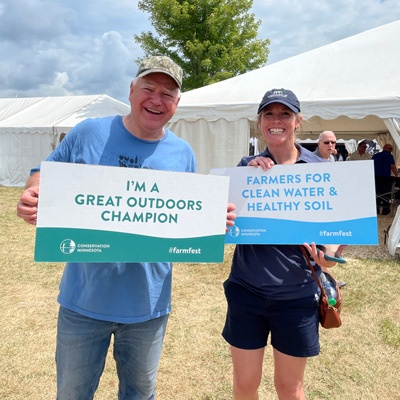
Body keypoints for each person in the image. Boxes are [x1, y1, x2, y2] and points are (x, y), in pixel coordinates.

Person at [16, 55, 236, 400]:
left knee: (139, 394)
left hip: (147, 308)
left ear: (177, 104)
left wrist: (212, 223)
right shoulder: (90, 132)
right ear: (132, 90)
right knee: (72, 394)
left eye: (168, 94)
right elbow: (43, 171)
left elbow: (185, 217)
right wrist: (34, 191)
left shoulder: (182, 153)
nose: (156, 99)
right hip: (82, 303)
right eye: (149, 88)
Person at [221, 88, 345, 400]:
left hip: (297, 296)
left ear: (298, 121)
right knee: (244, 385)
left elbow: (331, 248)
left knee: (290, 388)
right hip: (247, 292)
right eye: (269, 114)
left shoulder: (320, 170)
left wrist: (326, 257)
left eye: (285, 114)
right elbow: (225, 225)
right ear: (260, 121)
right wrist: (238, 194)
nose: (277, 120)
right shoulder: (245, 167)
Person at [372, 143, 399, 215]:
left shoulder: (375, 155)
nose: (391, 150)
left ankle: (376, 209)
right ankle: (385, 210)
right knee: (386, 194)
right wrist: (397, 175)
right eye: (391, 149)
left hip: (375, 177)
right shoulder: (389, 156)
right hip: (385, 178)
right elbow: (392, 167)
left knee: (376, 193)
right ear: (387, 148)